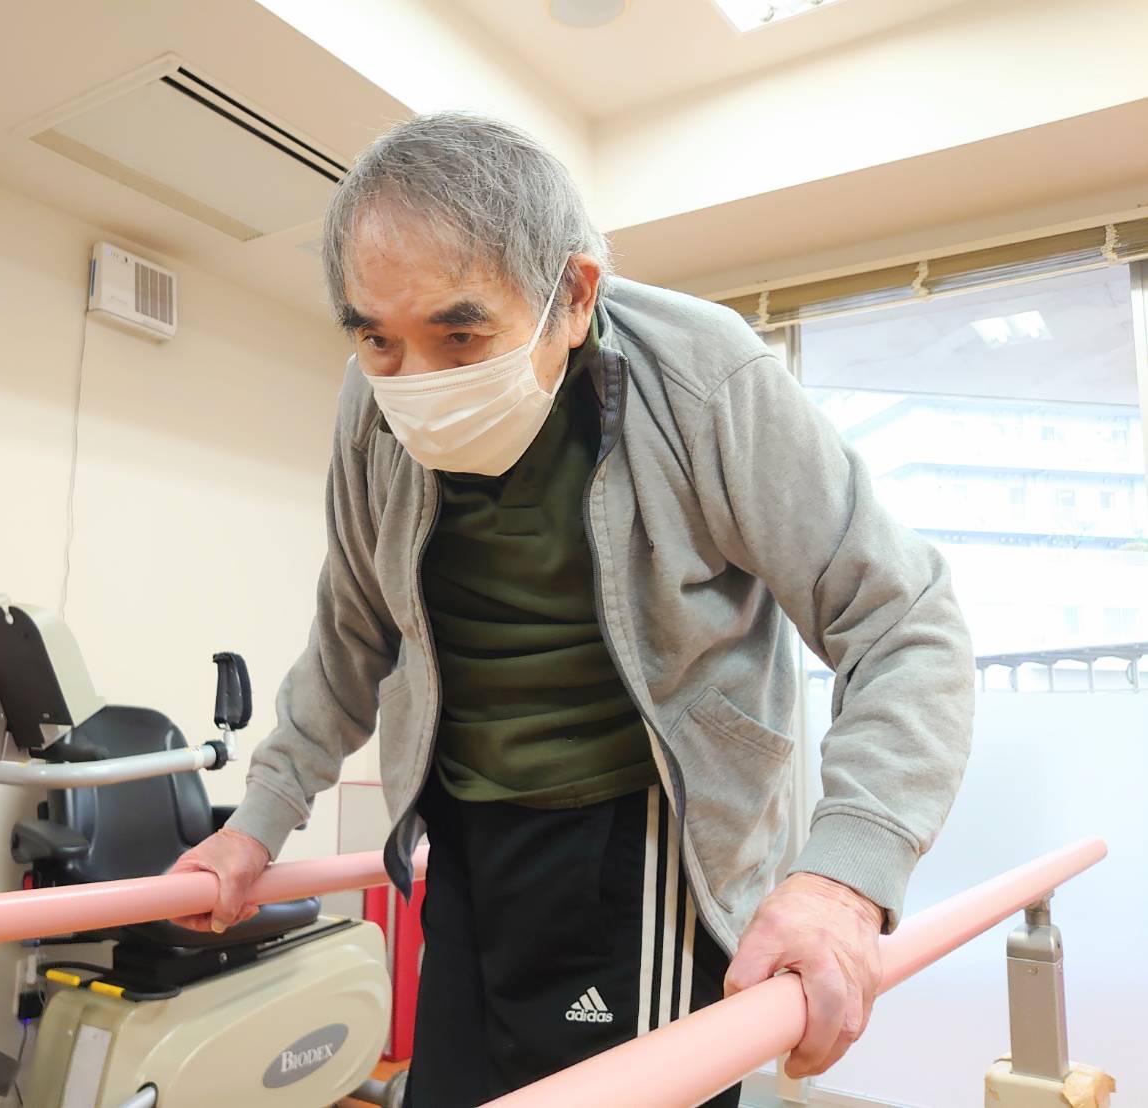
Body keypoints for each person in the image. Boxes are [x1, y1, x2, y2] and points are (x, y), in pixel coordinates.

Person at [168, 112, 974, 1106]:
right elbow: (352, 632)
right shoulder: (367, 405)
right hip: (464, 834)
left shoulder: (703, 377)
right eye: (377, 338)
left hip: (641, 843)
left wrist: (844, 877)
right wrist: (255, 825)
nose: (414, 382)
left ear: (574, 296)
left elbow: (903, 622)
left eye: (460, 334)